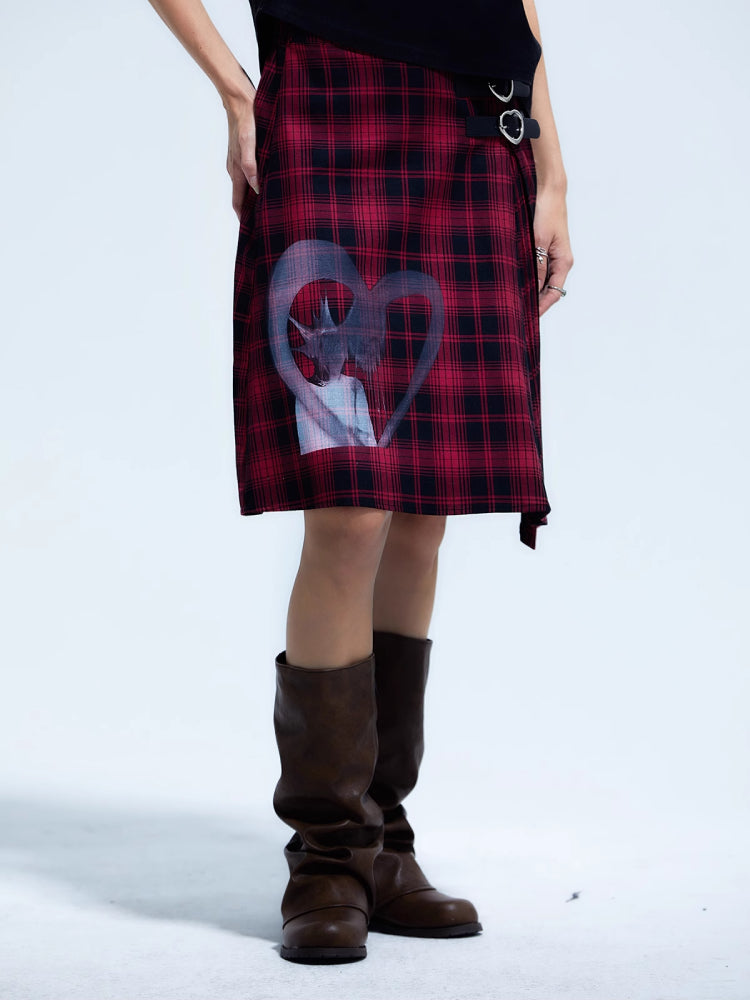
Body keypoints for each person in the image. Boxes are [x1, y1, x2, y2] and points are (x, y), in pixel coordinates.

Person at [145, 0, 573, 965]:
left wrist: (551, 174)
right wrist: (236, 93)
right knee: (349, 509)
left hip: (476, 125)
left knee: (423, 511)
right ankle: (327, 860)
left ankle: (383, 844)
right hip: (328, 109)